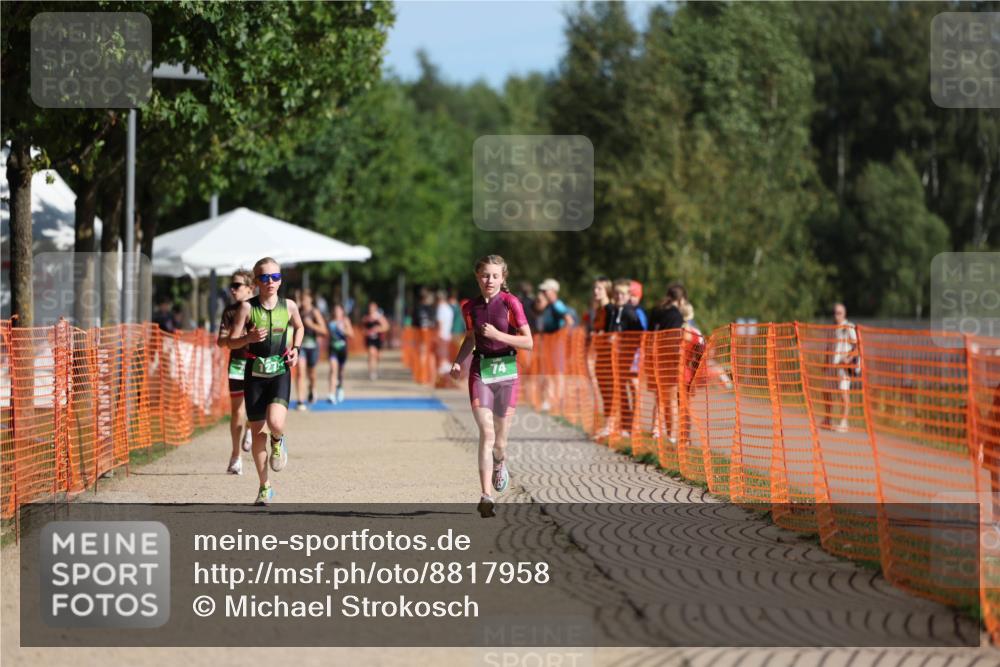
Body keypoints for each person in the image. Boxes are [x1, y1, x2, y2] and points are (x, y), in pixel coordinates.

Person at [451, 255, 533, 518]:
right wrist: (458, 362)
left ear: (503, 278)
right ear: (477, 276)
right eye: (485, 275)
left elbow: (529, 342)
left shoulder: (511, 303)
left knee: (500, 442)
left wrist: (499, 335)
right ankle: (486, 495)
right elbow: (470, 339)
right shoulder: (469, 307)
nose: (490, 280)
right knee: (486, 433)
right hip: (481, 371)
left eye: (495, 276)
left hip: (507, 372)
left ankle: (500, 462)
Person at [226, 257, 304, 506]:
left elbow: (299, 327)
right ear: (257, 281)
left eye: (276, 277)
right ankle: (264, 486)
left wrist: (296, 349)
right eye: (265, 278)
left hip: (279, 370)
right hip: (254, 375)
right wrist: (247, 337)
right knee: (258, 432)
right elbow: (231, 341)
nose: (271, 282)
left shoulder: (289, 306)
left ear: (281, 280)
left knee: (275, 422)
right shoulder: (247, 308)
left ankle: (279, 439)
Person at [216, 269, 256, 475]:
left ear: (250, 288)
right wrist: (234, 338)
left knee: (258, 409)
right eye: (231, 285)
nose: (232, 289)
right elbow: (221, 342)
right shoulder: (229, 312)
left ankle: (250, 428)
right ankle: (235, 456)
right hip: (238, 365)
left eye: (237, 285)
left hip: (258, 364)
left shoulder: (260, 308)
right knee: (237, 411)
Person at [603, 279, 645, 439]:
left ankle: (634, 424)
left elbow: (638, 333)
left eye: (622, 294)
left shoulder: (630, 311)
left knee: (631, 387)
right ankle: (625, 424)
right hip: (617, 356)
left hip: (630, 355)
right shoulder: (614, 310)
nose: (619, 296)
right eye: (617, 293)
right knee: (620, 389)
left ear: (628, 295)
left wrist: (621, 340)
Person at [294, 290, 327, 411]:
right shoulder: (298, 311)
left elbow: (324, 330)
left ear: (311, 300)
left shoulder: (315, 312)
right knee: (300, 372)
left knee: (312, 374)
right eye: (302, 299)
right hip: (301, 346)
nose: (304, 301)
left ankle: (312, 388)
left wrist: (311, 325)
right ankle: (300, 400)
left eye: (306, 299)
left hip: (313, 346)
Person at [828, 302, 858, 433]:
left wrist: (849, 358)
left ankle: (844, 422)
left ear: (844, 314)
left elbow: (857, 346)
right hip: (834, 365)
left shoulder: (848, 326)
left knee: (843, 393)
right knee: (831, 392)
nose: (836, 315)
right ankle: (829, 419)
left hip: (844, 366)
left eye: (839, 313)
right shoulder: (834, 328)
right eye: (835, 312)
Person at [327, 303, 354, 404]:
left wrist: (343, 330)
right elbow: (327, 334)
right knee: (333, 369)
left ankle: (340, 387)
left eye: (339, 310)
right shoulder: (330, 321)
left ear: (342, 312)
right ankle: (331, 394)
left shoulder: (345, 321)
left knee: (340, 372)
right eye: (335, 310)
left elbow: (351, 334)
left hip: (342, 349)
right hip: (332, 349)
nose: (337, 312)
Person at [362, 301, 390, 381]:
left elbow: (386, 327)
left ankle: (375, 369)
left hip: (378, 339)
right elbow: (363, 329)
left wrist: (378, 329)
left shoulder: (379, 317)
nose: (371, 309)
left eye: (373, 308)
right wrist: (366, 332)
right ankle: (371, 372)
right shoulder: (366, 318)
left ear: (376, 308)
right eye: (370, 307)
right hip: (370, 339)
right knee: (371, 354)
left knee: (377, 356)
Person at [435, 289, 455, 377]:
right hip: (447, 333)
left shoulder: (441, 308)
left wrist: (437, 334)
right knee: (445, 350)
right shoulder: (448, 308)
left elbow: (440, 322)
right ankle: (445, 365)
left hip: (442, 333)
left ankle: (443, 367)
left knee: (441, 351)